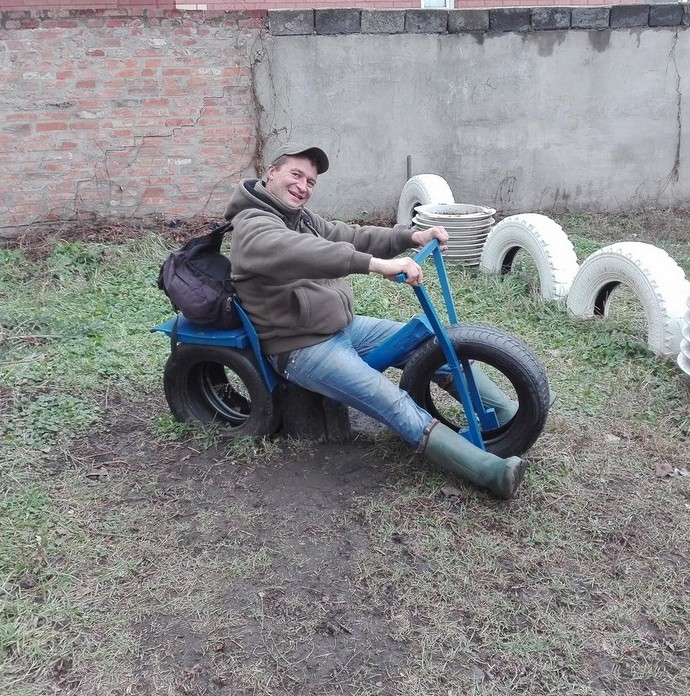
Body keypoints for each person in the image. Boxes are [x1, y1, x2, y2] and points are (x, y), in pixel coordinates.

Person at [223, 142, 525, 499]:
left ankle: (511, 419)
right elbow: (304, 251)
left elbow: (350, 235)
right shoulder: (252, 226)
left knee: (431, 341)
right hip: (301, 347)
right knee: (391, 400)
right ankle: (489, 471)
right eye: (296, 174)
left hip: (343, 327)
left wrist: (411, 236)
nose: (303, 186)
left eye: (311, 181)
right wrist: (375, 265)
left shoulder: (299, 218)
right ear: (271, 172)